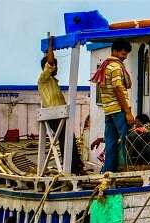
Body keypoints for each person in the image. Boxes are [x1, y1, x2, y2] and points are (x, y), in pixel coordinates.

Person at [38, 36, 84, 174]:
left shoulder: (51, 80)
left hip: (60, 114)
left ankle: (75, 167)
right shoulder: (43, 79)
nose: (56, 68)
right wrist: (51, 44)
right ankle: (73, 168)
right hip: (55, 115)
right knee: (66, 141)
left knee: (69, 140)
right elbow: (50, 62)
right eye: (54, 66)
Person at [90, 38, 134, 172]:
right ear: (115, 51)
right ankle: (128, 171)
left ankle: (108, 173)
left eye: (126, 54)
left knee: (110, 143)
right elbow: (118, 89)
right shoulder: (115, 67)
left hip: (109, 110)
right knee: (127, 141)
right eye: (123, 54)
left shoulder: (106, 65)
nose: (125, 57)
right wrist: (127, 112)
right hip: (118, 109)